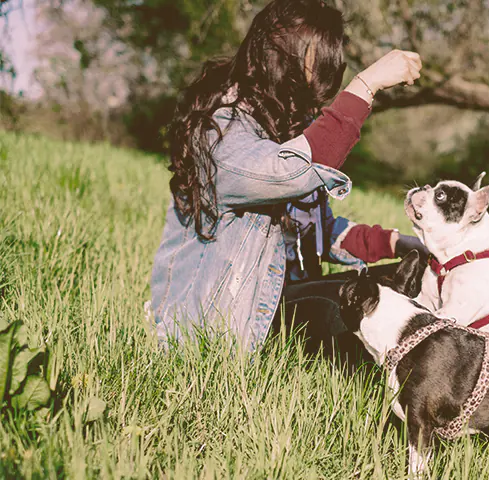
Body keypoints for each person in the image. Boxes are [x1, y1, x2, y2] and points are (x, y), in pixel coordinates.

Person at [149, 0, 426, 359]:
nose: (319, 81)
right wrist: (366, 84)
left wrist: (397, 244)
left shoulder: (281, 126)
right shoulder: (223, 132)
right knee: (353, 309)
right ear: (281, 59)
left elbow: (318, 230)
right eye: (315, 63)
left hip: (277, 303)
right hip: (221, 329)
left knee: (399, 284)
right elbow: (293, 169)